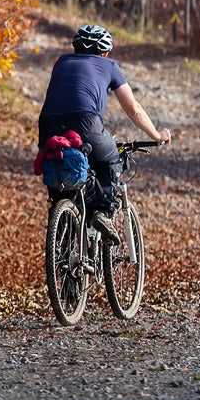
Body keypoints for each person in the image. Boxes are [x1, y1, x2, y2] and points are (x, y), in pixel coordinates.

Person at [38, 24, 171, 244]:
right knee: (111, 158)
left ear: (76, 49)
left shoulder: (61, 62)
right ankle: (101, 211)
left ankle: (62, 242)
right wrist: (157, 135)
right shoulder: (109, 65)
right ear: (105, 52)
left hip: (47, 126)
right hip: (86, 122)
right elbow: (134, 108)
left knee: (61, 173)